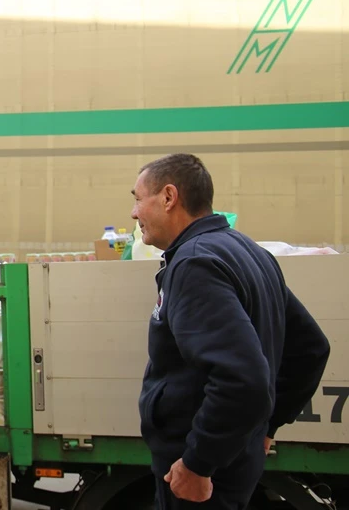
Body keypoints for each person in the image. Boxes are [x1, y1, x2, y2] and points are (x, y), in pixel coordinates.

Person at [131, 153, 330, 509]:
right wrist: (268, 425)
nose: (134, 213)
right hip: (232, 460)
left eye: (137, 198)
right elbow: (311, 349)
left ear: (168, 197)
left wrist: (198, 463)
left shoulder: (195, 264)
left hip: (201, 476)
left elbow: (242, 379)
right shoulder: (247, 250)